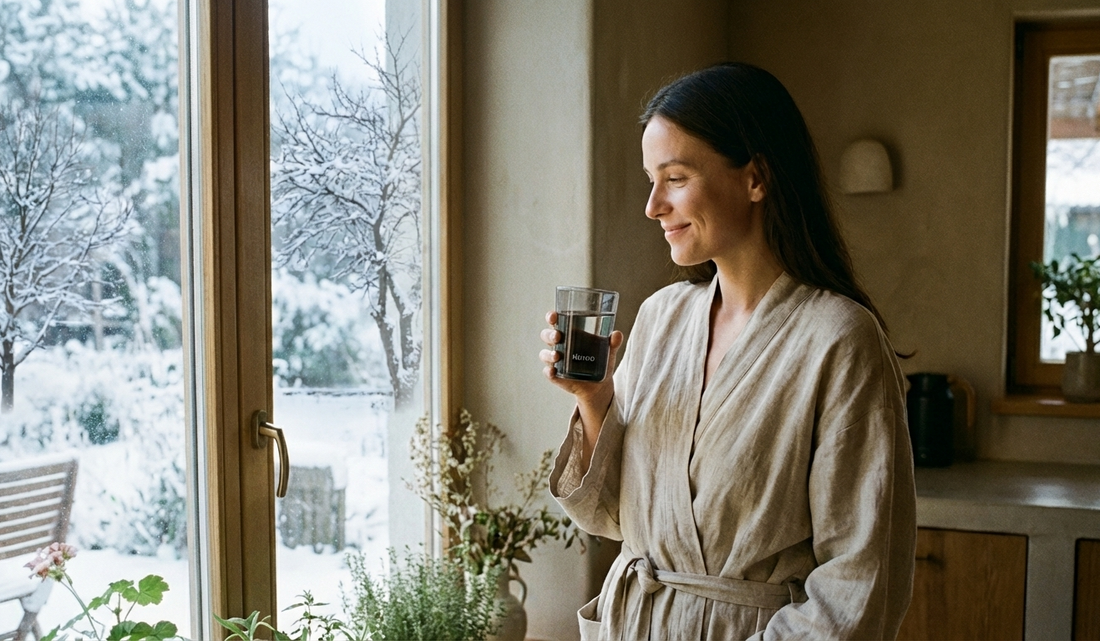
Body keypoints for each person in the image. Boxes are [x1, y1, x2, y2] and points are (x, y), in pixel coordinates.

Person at [539, 62, 917, 640]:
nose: (653, 206)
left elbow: (859, 586)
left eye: (676, 177)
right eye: (650, 179)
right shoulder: (662, 318)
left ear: (756, 178)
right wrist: (595, 399)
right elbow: (611, 517)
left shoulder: (839, 340)